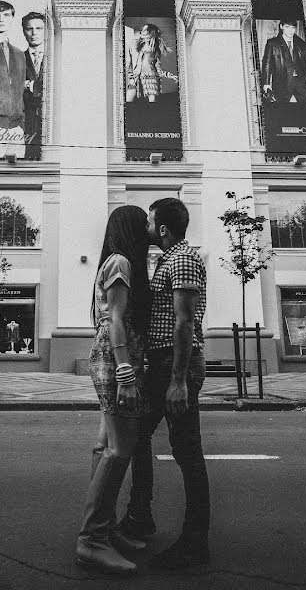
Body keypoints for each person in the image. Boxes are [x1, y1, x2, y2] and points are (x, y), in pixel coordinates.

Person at [118, 197, 211, 570]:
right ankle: (141, 516)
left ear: (163, 229)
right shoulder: (170, 259)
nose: (145, 228)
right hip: (163, 364)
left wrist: (178, 381)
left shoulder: (184, 258)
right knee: (139, 436)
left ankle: (194, 544)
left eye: (149, 222)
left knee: (187, 452)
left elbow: (184, 322)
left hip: (175, 366)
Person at [75, 205, 152, 575]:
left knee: (106, 445)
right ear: (133, 228)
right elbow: (117, 318)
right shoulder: (121, 262)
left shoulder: (112, 260)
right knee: (120, 449)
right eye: (145, 224)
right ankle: (92, 540)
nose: (150, 230)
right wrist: (126, 373)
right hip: (117, 356)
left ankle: (103, 530)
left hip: (112, 353)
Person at [0, 1, 26, 157]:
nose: (1, 19)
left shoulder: (19, 54)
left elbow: (20, 90)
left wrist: (21, 124)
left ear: (12, 18)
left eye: (6, 15)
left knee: (17, 176)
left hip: (16, 127)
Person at [260, 18, 306, 104]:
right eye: (287, 27)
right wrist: (266, 83)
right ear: (281, 27)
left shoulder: (301, 44)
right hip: (282, 82)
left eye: (293, 27)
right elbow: (267, 63)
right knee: (281, 109)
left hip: (301, 82)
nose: (290, 30)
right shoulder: (272, 43)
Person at [125, 23, 178, 104]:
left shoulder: (155, 50)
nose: (142, 31)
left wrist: (170, 75)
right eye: (143, 29)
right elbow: (129, 64)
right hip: (136, 78)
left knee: (152, 105)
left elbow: (158, 69)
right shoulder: (134, 45)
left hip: (151, 80)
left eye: (145, 30)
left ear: (150, 32)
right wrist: (131, 78)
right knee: (128, 101)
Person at [21, 12, 45, 161]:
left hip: (50, 121)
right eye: (30, 28)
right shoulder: (17, 58)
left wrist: (30, 84)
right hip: (26, 120)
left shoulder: (55, 57)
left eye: (39, 28)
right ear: (24, 31)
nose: (34, 33)